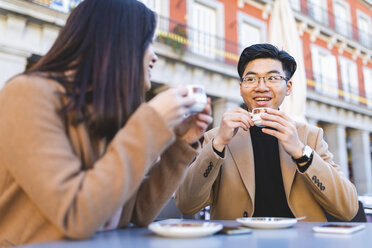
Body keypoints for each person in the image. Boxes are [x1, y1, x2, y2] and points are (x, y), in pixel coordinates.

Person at [0, 0, 213, 245]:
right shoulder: (27, 94)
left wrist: (179, 144)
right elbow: (76, 214)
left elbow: (138, 213)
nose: (154, 55)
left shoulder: (108, 112)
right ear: (116, 41)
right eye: (147, 41)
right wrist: (151, 121)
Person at [175, 43, 358, 222]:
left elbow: (348, 209)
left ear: (288, 87)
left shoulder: (310, 136)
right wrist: (218, 144)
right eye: (251, 79)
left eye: (272, 78)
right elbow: (186, 204)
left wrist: (301, 152)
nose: (261, 87)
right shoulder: (217, 137)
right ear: (241, 88)